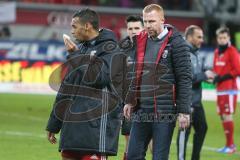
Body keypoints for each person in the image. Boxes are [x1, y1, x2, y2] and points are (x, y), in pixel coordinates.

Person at [46, 8, 124, 160]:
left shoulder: (111, 49)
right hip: (72, 129)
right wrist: (54, 123)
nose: (72, 31)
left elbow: (99, 78)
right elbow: (66, 88)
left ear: (87, 26)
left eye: (74, 26)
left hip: (95, 130)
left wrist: (76, 55)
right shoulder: (80, 49)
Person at [123, 4, 192, 160]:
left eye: (152, 21)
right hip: (141, 111)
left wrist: (184, 111)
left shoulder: (177, 43)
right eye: (145, 21)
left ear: (162, 20)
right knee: (132, 155)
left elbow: (184, 77)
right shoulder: (140, 40)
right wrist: (129, 100)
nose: (148, 25)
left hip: (164, 112)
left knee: (159, 157)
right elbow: (137, 73)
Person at [176, 25, 214, 160]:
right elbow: (186, 78)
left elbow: (198, 72)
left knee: (202, 128)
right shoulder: (183, 52)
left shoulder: (196, 52)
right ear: (190, 37)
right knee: (184, 133)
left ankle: (195, 158)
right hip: (187, 101)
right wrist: (204, 75)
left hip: (197, 101)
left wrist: (207, 76)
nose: (201, 40)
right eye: (199, 37)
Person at [212, 26, 240, 154]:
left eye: (224, 37)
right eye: (220, 38)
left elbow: (237, 70)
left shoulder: (232, 51)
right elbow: (215, 70)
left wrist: (222, 77)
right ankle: (229, 145)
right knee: (223, 117)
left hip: (229, 89)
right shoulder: (217, 52)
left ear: (228, 38)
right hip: (220, 89)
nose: (222, 40)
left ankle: (231, 146)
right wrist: (214, 78)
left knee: (227, 116)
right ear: (217, 39)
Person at [120, 15, 144, 160]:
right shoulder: (121, 49)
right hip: (128, 102)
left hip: (147, 101)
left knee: (152, 143)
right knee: (129, 142)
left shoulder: (151, 46)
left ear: (143, 29)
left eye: (137, 28)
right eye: (130, 28)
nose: (133, 31)